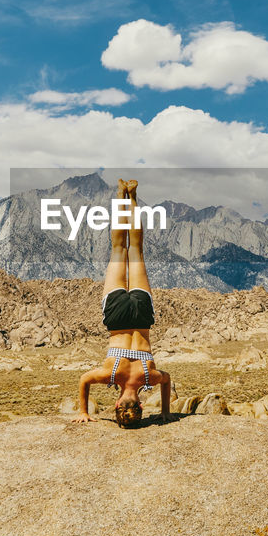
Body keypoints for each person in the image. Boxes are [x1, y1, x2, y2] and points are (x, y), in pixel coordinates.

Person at [72, 179, 172, 427]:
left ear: (140, 405)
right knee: (119, 249)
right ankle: (122, 195)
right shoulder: (110, 375)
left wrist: (166, 412)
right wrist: (83, 410)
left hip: (141, 317)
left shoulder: (149, 377)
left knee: (135, 250)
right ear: (117, 405)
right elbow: (84, 380)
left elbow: (167, 380)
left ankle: (132, 196)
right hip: (117, 318)